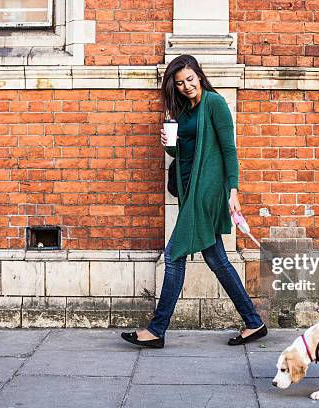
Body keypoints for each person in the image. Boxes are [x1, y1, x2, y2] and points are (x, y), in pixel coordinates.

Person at [121, 55, 267, 348]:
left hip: (207, 190)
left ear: (199, 75)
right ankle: (253, 322)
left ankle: (157, 329)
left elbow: (228, 150)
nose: (187, 86)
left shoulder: (214, 103)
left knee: (174, 256)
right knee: (217, 260)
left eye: (190, 79)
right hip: (190, 189)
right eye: (179, 83)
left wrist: (233, 191)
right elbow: (181, 154)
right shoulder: (184, 111)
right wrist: (170, 143)